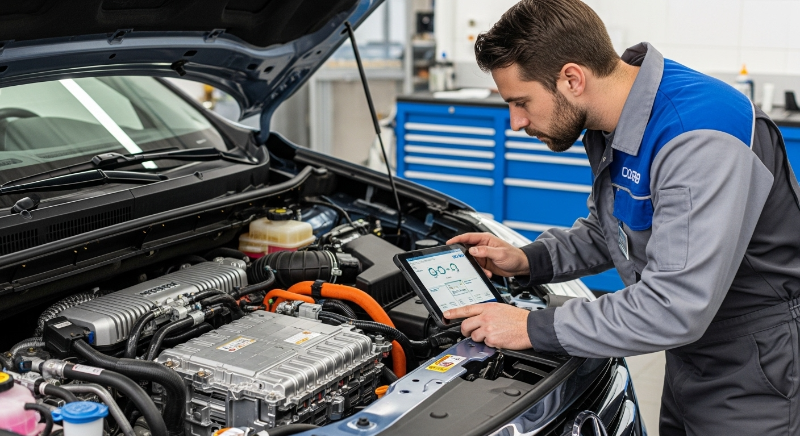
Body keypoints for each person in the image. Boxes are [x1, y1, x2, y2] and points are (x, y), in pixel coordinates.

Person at [443, 1, 800, 435]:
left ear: (572, 79)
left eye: (521, 102)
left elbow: (673, 306)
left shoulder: (696, 136)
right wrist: (527, 260)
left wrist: (533, 327)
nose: (516, 122)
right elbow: (614, 230)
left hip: (755, 361)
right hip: (694, 353)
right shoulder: (617, 117)